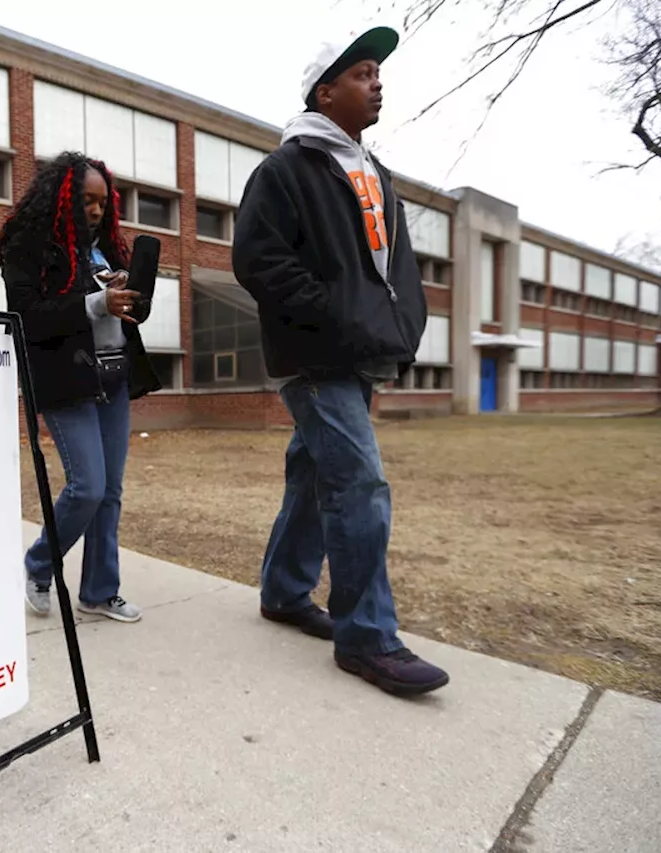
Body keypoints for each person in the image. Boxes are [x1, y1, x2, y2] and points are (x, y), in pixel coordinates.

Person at [231, 27, 450, 696]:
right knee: (359, 484)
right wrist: (336, 315)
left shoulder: (376, 175)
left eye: (377, 72)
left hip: (359, 352)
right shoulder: (285, 169)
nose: (376, 81)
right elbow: (258, 260)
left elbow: (400, 271)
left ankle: (284, 591)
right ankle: (368, 637)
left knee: (310, 475)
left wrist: (400, 327)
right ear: (325, 91)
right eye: (361, 72)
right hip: (314, 356)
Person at [0, 152, 162, 623]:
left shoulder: (107, 248)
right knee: (87, 486)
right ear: (62, 197)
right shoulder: (28, 245)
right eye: (86, 201)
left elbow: (126, 315)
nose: (96, 210)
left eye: (103, 202)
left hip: (113, 374)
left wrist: (127, 292)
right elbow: (25, 318)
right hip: (66, 378)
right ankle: (38, 564)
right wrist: (96, 301)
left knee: (110, 491)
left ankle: (99, 590)